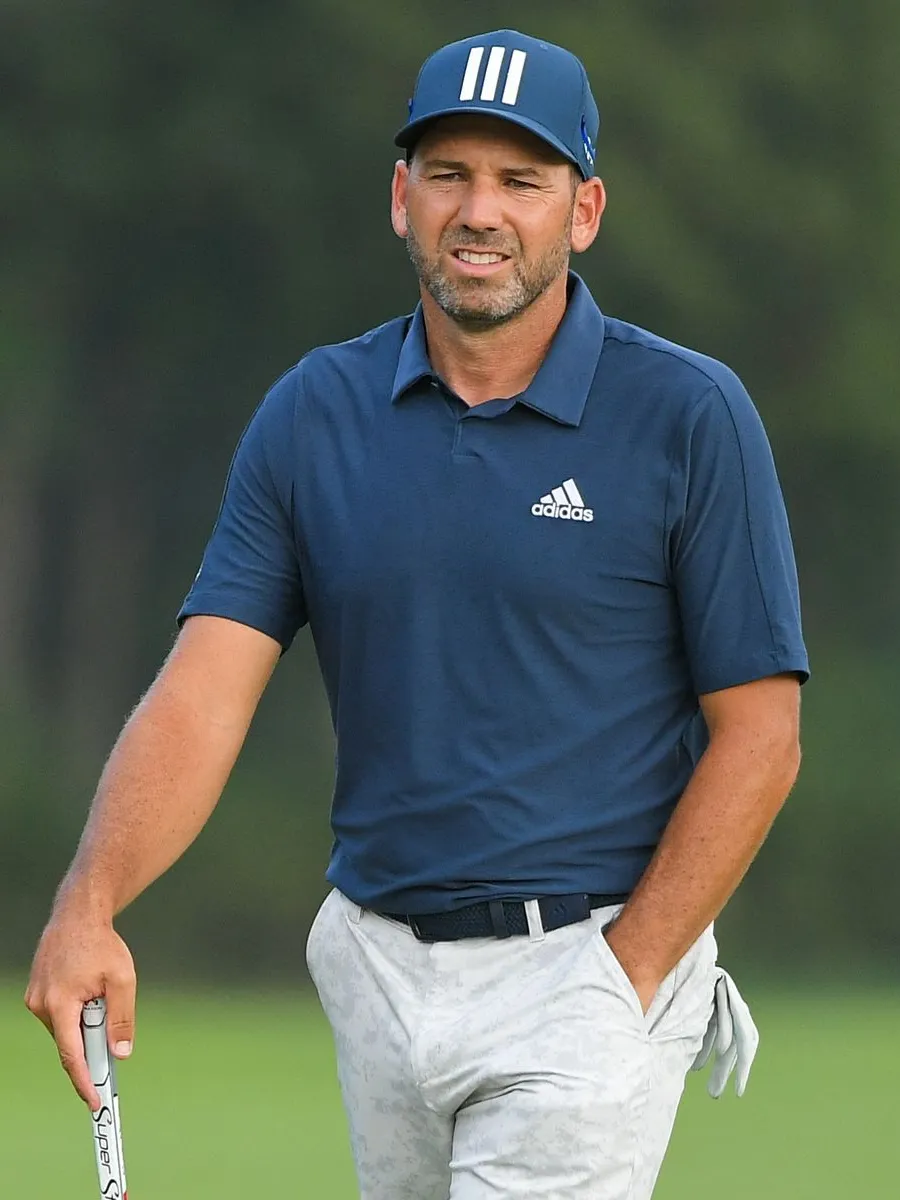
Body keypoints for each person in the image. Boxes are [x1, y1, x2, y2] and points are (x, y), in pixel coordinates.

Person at [26, 28, 808, 1200]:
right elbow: (202, 694)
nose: (479, 211)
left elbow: (762, 735)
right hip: (375, 972)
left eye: (521, 181)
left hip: (585, 971)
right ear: (402, 197)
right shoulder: (314, 412)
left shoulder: (689, 415)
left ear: (583, 210)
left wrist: (629, 976)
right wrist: (88, 905)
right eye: (449, 174)